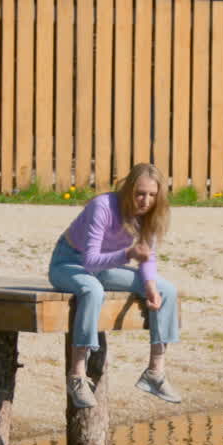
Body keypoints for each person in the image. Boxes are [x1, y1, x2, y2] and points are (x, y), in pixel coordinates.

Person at [48, 163, 181, 408]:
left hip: (106, 266)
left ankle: (155, 373)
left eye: (152, 195)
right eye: (140, 193)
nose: (145, 201)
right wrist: (128, 253)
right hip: (69, 263)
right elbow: (90, 261)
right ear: (128, 188)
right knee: (92, 290)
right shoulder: (103, 207)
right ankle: (77, 376)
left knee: (167, 290)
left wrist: (150, 286)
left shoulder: (149, 215)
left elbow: (146, 255)